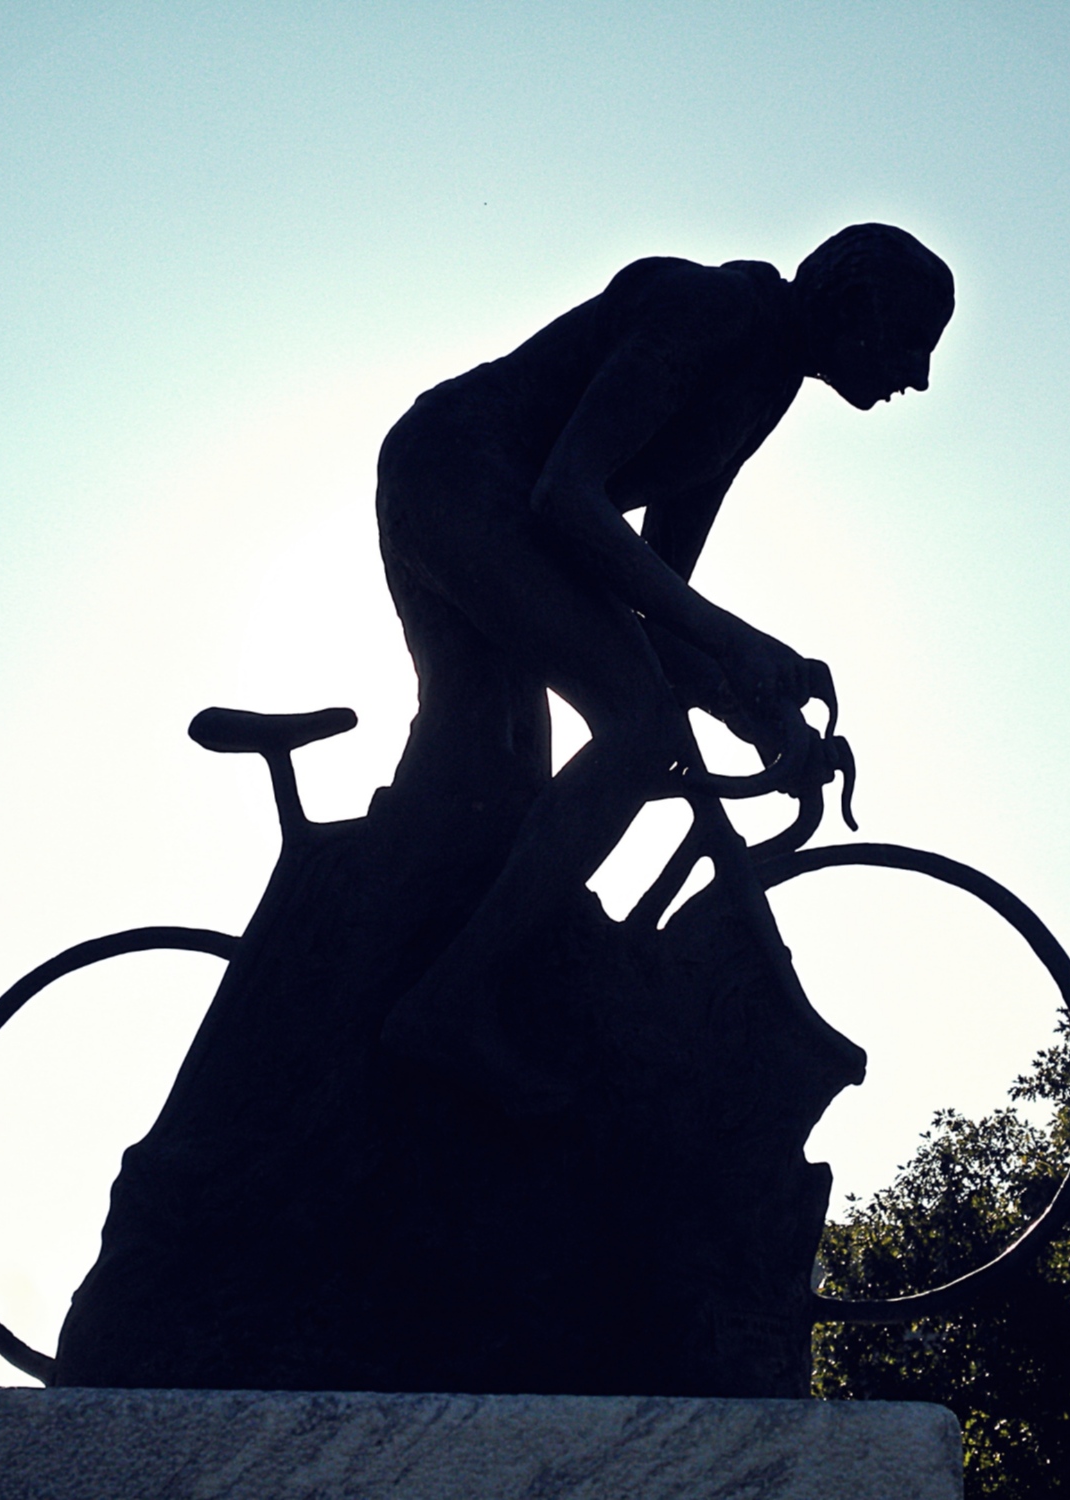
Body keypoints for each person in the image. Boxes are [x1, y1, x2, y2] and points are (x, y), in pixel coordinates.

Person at [375, 222, 955, 1107]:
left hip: (474, 489)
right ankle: (445, 1002)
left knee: (490, 787)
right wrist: (739, 648)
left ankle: (369, 969)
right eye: (914, 342)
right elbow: (569, 495)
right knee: (636, 731)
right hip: (462, 474)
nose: (915, 376)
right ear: (858, 303)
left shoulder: (764, 382)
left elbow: (652, 602)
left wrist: (761, 714)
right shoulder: (711, 311)